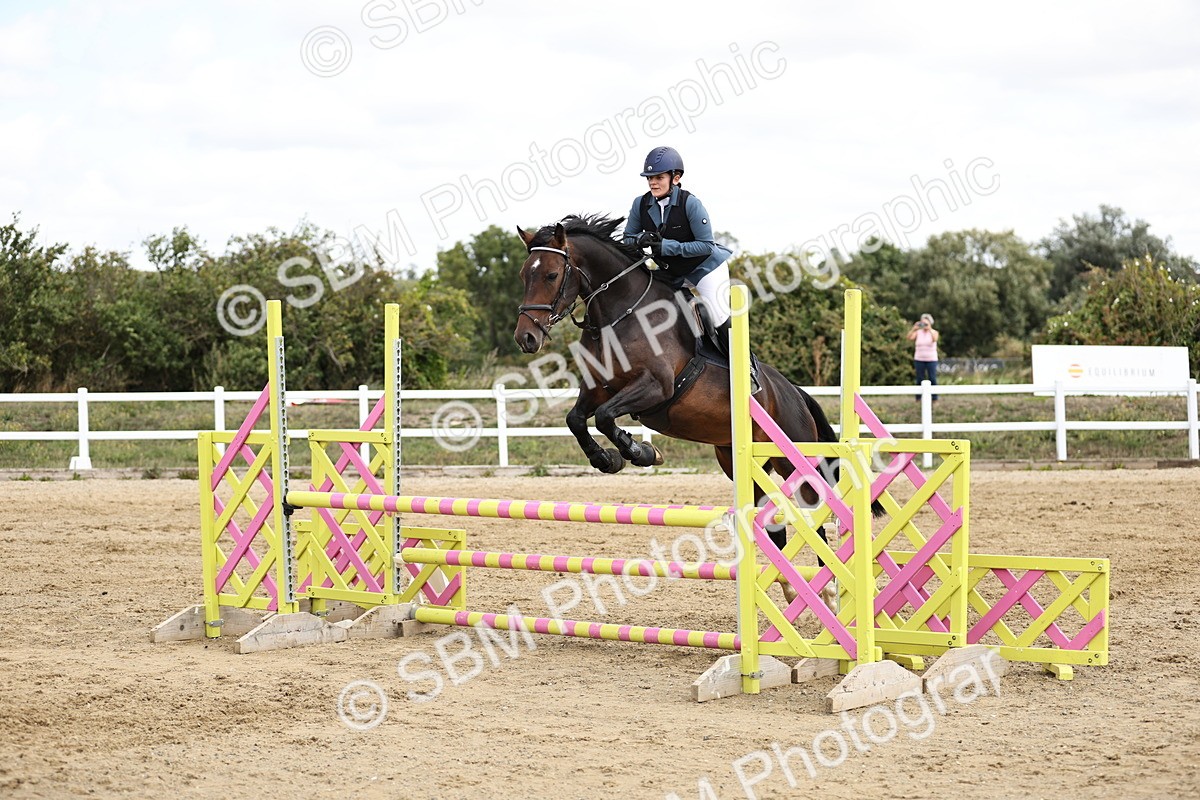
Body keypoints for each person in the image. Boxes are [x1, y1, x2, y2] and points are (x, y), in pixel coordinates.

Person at [622, 146, 759, 389]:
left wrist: (667, 246)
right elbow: (627, 239)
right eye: (650, 178)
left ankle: (746, 368)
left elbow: (705, 245)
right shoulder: (640, 204)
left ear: (675, 178)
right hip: (672, 272)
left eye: (659, 177)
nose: (653, 183)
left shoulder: (691, 204)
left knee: (717, 314)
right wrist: (640, 239)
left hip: (705, 269)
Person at [906, 313, 940, 401]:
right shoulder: (918, 333)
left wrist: (929, 329)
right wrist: (914, 329)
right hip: (919, 359)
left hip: (931, 359)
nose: (924, 325)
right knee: (919, 378)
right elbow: (909, 338)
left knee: (932, 378)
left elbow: (935, 339)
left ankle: (934, 398)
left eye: (926, 323)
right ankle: (918, 398)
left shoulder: (934, 332)